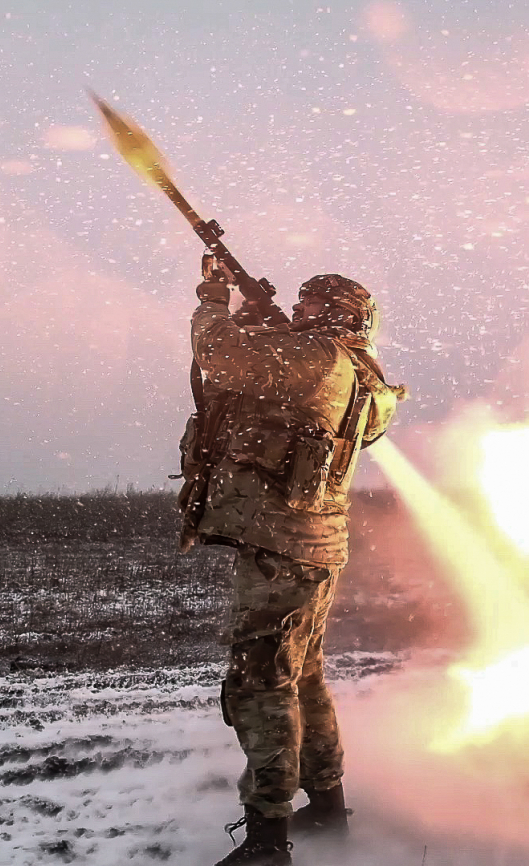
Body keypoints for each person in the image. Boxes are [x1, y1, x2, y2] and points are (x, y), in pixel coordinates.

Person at [178, 267, 406, 866]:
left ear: (335, 314)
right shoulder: (360, 373)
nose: (299, 311)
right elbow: (272, 386)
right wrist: (259, 320)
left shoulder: (318, 357)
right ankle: (327, 807)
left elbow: (220, 359)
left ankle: (267, 840)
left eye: (310, 304)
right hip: (315, 545)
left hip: (279, 548)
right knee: (303, 679)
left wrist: (214, 300)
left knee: (260, 684)